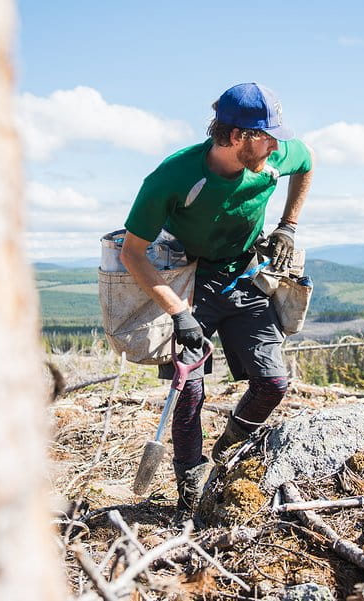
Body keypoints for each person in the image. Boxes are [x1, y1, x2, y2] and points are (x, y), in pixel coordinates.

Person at [120, 82, 315, 520]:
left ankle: (226, 453)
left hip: (245, 278)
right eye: (265, 135)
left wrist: (288, 225)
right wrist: (179, 313)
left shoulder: (274, 155)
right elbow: (132, 252)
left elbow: (306, 160)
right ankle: (190, 483)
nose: (275, 144)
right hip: (187, 282)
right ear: (234, 136)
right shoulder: (173, 176)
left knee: (273, 383)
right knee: (188, 391)